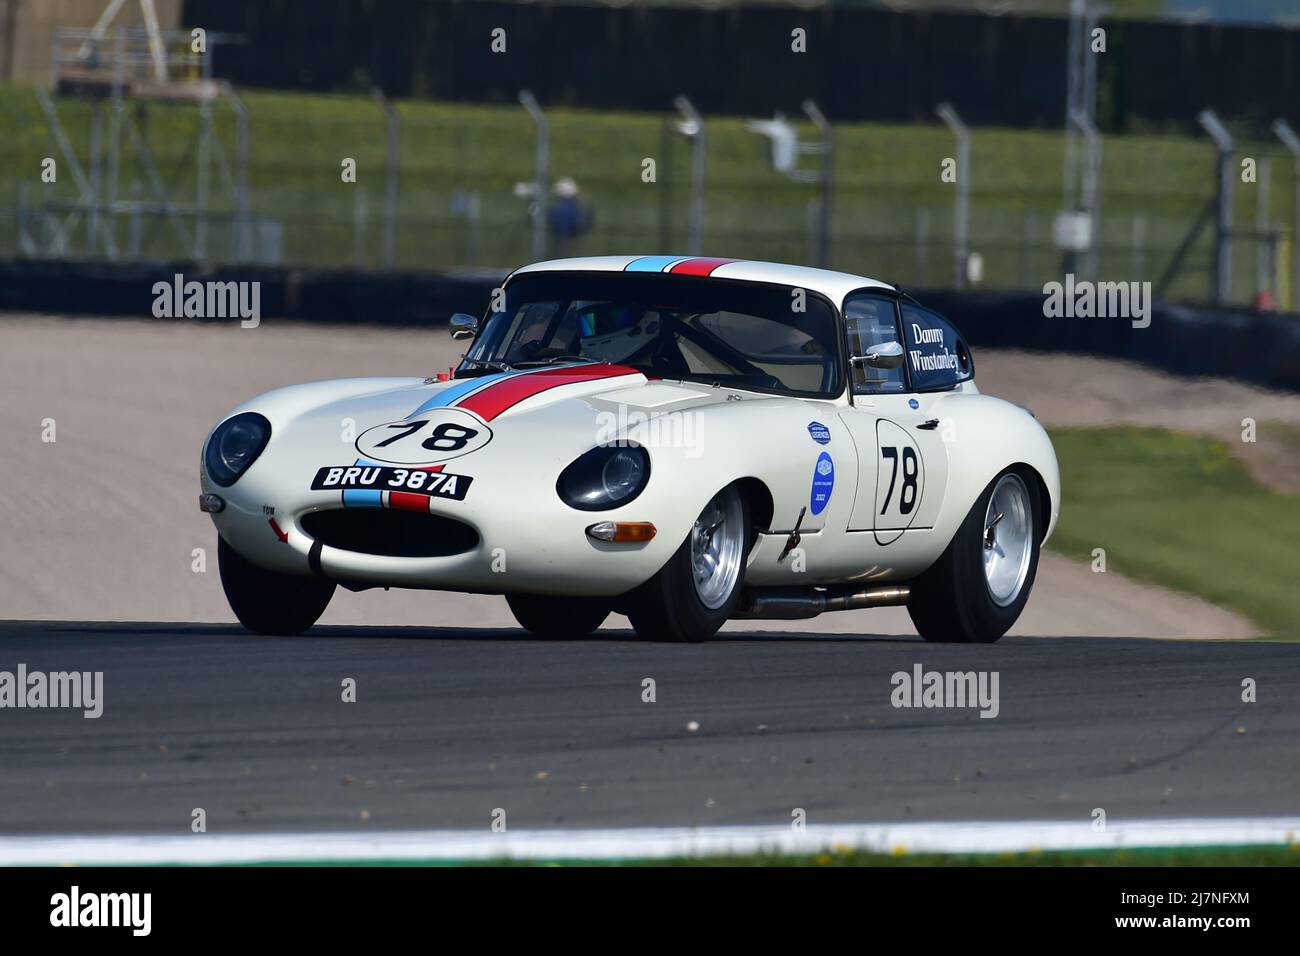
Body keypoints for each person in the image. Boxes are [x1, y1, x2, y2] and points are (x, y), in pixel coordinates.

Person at [547, 177, 594, 254]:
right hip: (568, 235)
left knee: (562, 252)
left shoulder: (565, 206)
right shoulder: (574, 205)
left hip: (563, 235)